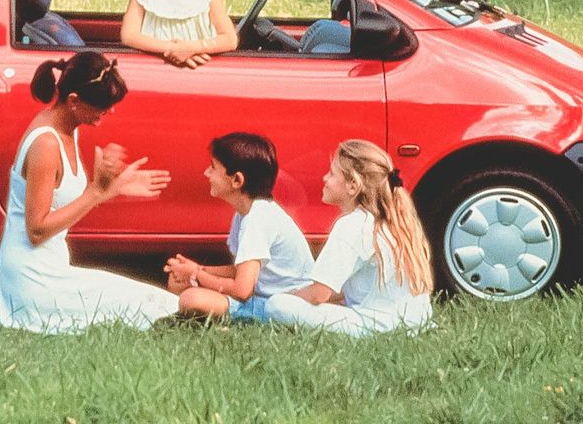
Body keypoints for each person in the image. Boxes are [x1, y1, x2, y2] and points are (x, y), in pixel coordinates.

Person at [0, 51, 179, 333]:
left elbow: (63, 202)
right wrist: (96, 193)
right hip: (32, 282)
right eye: (102, 106)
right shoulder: (46, 145)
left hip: (52, 269)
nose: (109, 112)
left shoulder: (67, 126)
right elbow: (36, 230)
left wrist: (113, 188)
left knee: (155, 301)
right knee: (155, 305)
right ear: (74, 101)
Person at [264, 139, 433, 336]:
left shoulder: (352, 225)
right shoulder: (390, 221)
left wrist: (289, 295)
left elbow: (319, 294)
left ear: (353, 185)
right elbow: (340, 291)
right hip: (414, 322)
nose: (325, 178)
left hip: (374, 326)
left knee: (276, 305)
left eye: (332, 173)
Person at [164, 132, 313, 322]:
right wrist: (198, 268)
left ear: (237, 180)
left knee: (191, 298)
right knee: (180, 286)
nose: (206, 173)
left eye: (213, 167)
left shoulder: (257, 219)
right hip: (263, 296)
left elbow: (242, 291)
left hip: (281, 304)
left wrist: (195, 274)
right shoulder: (246, 213)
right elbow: (241, 271)